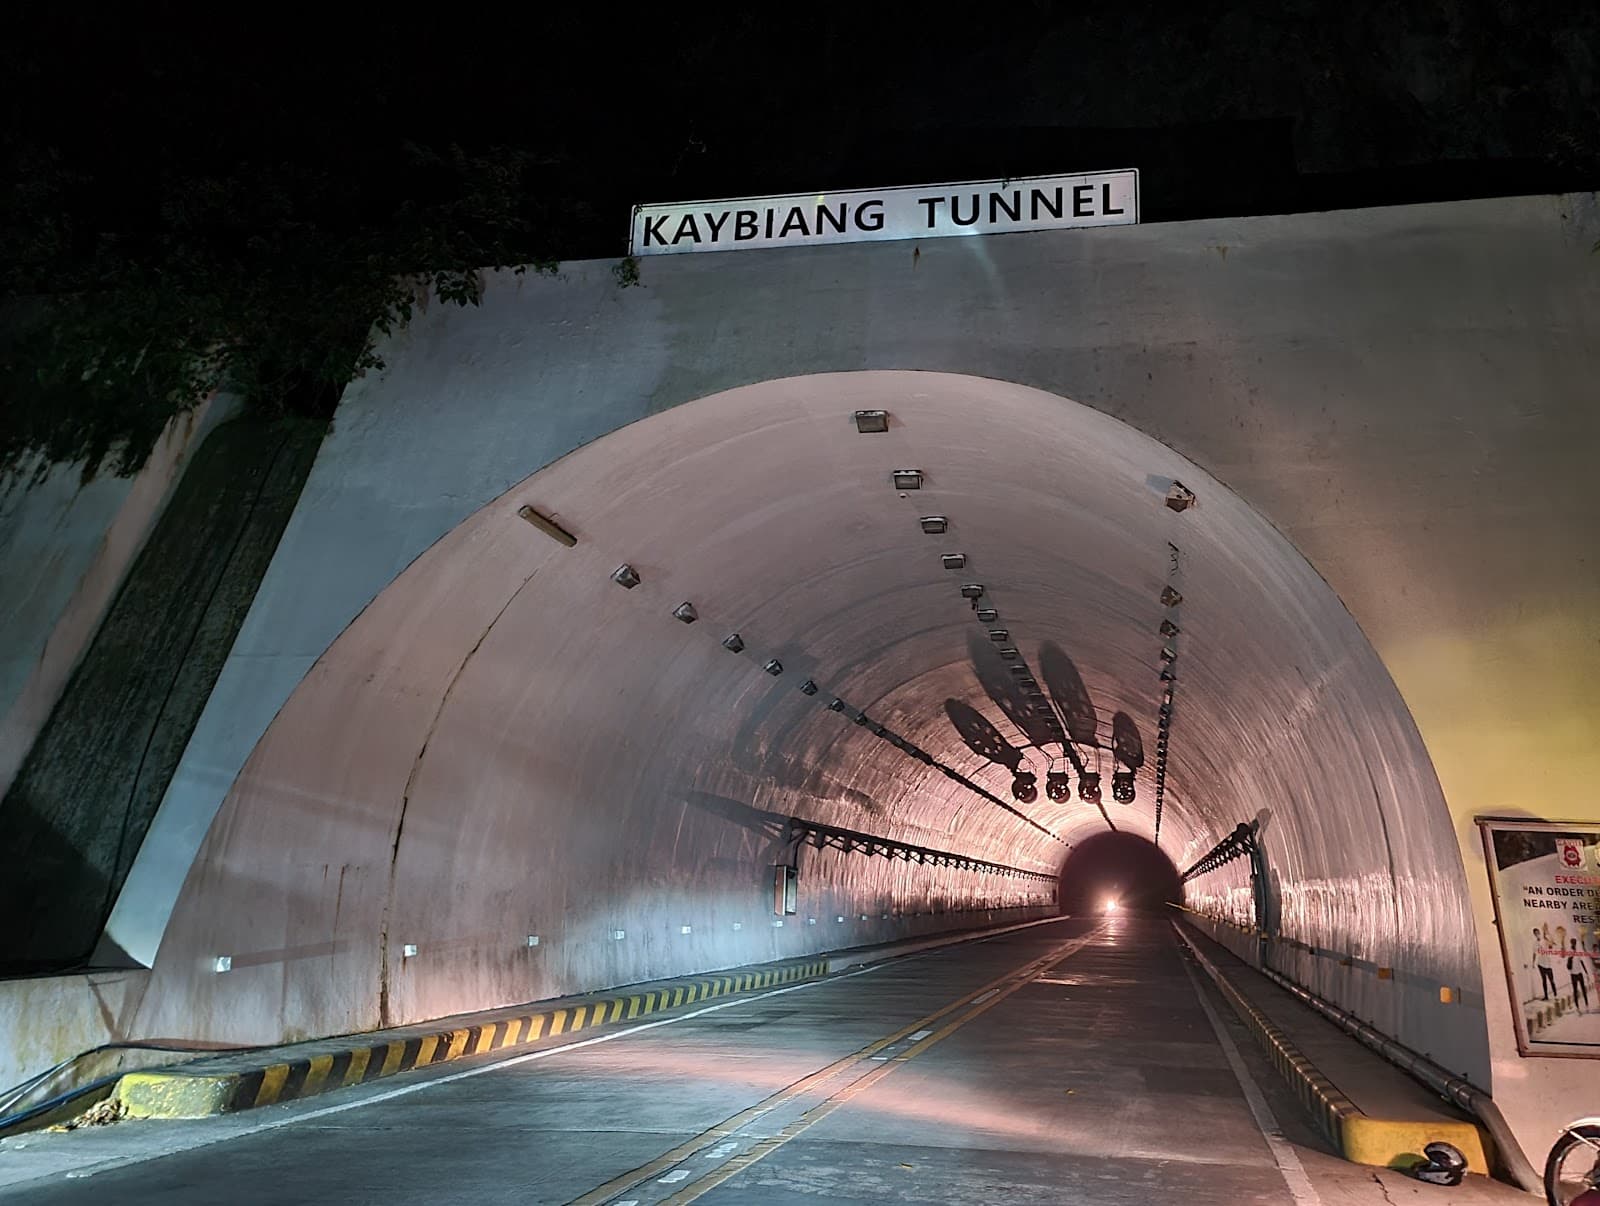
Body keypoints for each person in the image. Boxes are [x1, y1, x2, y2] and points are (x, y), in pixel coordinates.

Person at [1537, 928, 1559, 1000]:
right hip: (1541, 964)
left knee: (1552, 980)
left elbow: (1553, 945)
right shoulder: (1541, 942)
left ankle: (1555, 995)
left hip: (1548, 966)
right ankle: (1546, 996)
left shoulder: (1550, 943)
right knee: (1544, 981)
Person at [1570, 939, 1591, 1014]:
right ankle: (1577, 1007)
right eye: (1573, 943)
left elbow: (1582, 963)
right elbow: (1568, 965)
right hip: (1573, 974)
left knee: (1583, 989)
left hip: (1579, 973)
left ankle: (1586, 1005)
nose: (1574, 944)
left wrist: (1586, 972)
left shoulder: (1578, 952)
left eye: (1574, 943)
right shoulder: (1570, 952)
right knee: (1575, 991)